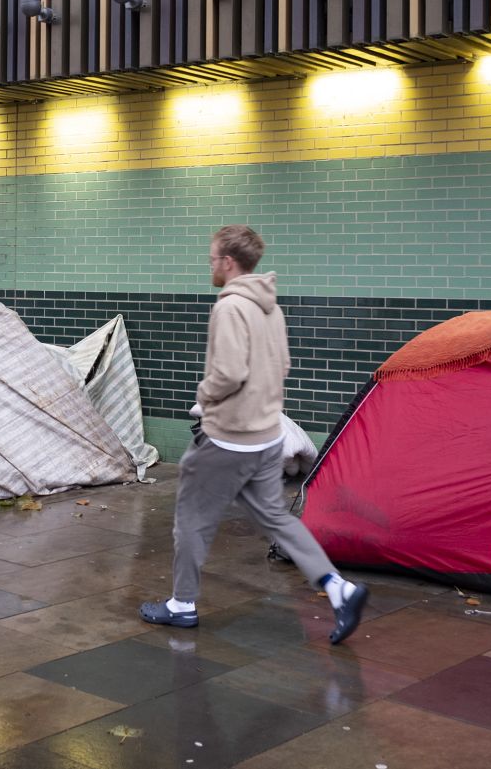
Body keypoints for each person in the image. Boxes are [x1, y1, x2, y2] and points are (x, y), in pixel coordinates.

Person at [139, 225, 369, 644]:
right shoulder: (271, 307)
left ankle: (182, 604)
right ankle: (340, 589)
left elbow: (227, 373)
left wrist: (205, 395)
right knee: (275, 517)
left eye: (211, 259)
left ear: (228, 262)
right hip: (267, 436)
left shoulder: (230, 308)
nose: (209, 265)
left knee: (191, 517)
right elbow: (282, 367)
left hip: (228, 438)